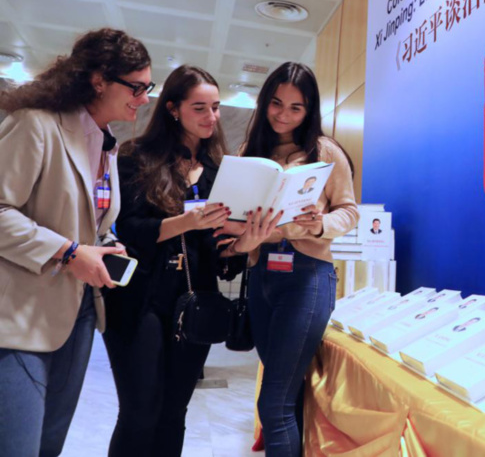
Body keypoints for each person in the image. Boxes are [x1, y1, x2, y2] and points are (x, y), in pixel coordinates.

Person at [103, 65, 279, 457]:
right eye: (199, 107)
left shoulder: (222, 172)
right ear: (172, 109)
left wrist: (243, 245)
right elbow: (128, 229)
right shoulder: (136, 158)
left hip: (195, 301)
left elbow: (221, 260)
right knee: (139, 411)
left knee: (173, 412)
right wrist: (186, 221)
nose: (211, 117)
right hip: (139, 298)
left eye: (215, 107)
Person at [0, 28, 151, 456]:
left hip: (80, 313)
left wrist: (105, 243)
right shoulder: (36, 125)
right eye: (136, 87)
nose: (143, 98)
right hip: (19, 317)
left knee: (50, 444)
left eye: (148, 87)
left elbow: (87, 219)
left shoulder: (107, 144)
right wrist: (68, 252)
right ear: (99, 80)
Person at [226, 62, 358, 457]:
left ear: (309, 110)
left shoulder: (325, 150)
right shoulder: (249, 153)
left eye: (295, 108)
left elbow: (349, 212)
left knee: (274, 402)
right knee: (288, 394)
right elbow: (230, 213)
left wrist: (318, 224)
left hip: (307, 278)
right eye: (276, 103)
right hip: (261, 275)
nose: (283, 114)